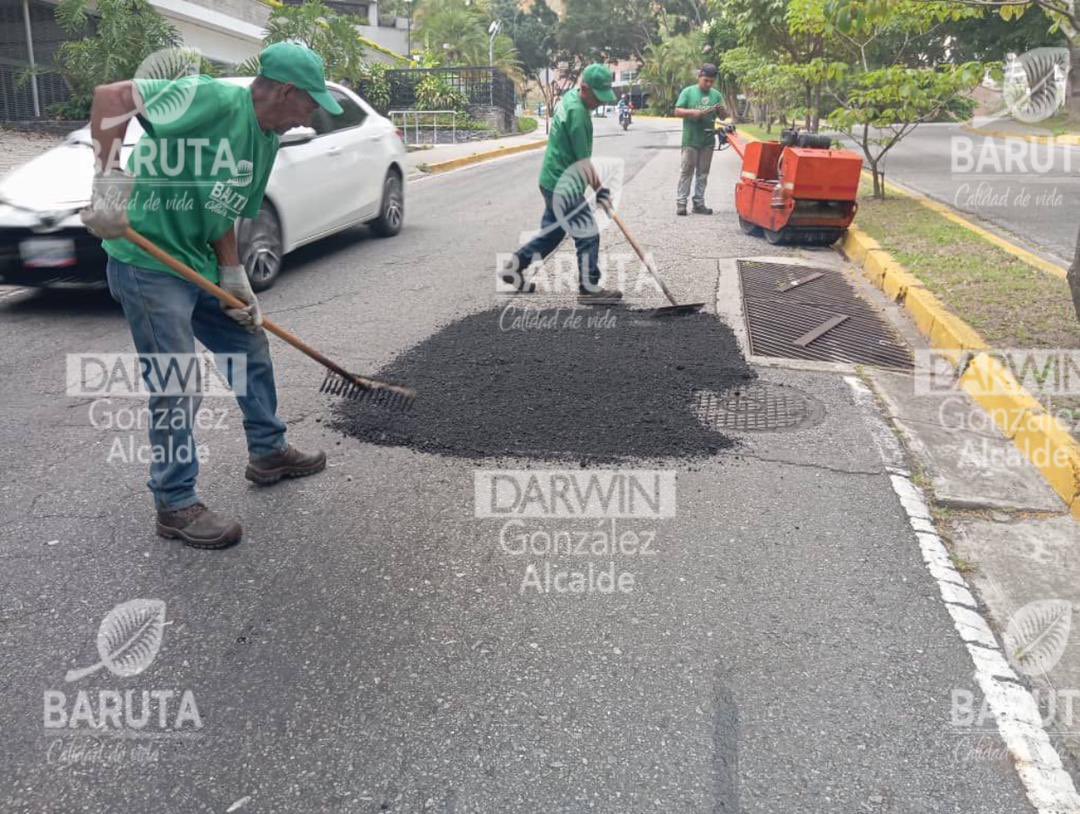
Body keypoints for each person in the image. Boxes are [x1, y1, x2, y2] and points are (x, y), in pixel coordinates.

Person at [80, 42, 342, 549]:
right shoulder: (213, 99)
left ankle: (268, 451)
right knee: (178, 383)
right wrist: (109, 183)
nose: (310, 117)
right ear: (285, 91)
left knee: (249, 348)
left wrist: (232, 274)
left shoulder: (266, 138)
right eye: (309, 104)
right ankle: (175, 503)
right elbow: (111, 97)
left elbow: (226, 206)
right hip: (149, 264)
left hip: (197, 261)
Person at [501, 64, 622, 301]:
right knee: (588, 233)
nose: (600, 102)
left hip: (550, 180)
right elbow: (583, 164)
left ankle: (513, 268)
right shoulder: (579, 115)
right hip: (563, 185)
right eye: (598, 97)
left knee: (551, 235)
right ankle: (589, 288)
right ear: (585, 88)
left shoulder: (571, 98)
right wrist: (601, 191)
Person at [674, 64, 725, 216]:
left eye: (711, 81)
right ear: (699, 77)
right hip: (691, 139)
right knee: (686, 171)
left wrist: (722, 111)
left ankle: (699, 203)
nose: (708, 84)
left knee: (703, 173)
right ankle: (681, 204)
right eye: (706, 80)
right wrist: (693, 113)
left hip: (708, 140)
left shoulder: (716, 95)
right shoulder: (688, 92)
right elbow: (677, 111)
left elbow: (723, 116)